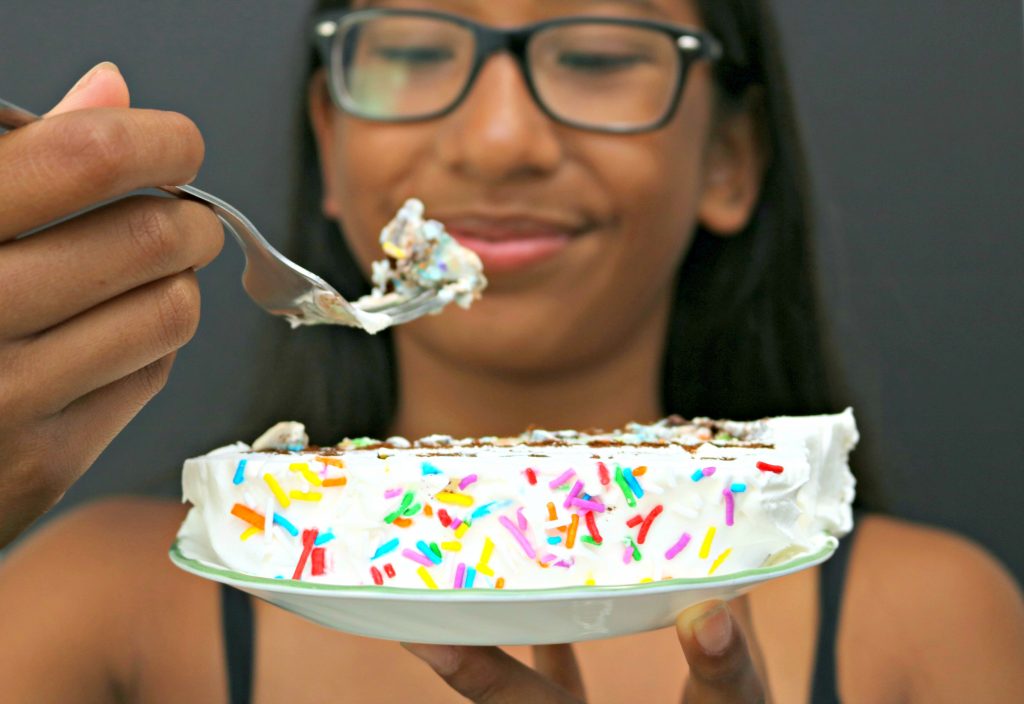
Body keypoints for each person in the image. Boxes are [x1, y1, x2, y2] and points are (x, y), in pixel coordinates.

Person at [1, 1, 1022, 702]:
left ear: (729, 158)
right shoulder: (94, 604)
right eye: (410, 51)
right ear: (329, 138)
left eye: (598, 57)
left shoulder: (929, 622)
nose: (497, 139)